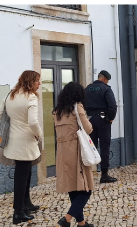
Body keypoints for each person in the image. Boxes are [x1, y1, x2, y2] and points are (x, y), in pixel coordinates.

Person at [0, 70, 42, 224]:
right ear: (30, 81)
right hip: (26, 140)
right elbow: (33, 123)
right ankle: (18, 212)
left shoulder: (11, 95)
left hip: (13, 140)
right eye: (37, 81)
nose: (39, 84)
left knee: (25, 172)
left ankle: (26, 203)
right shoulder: (31, 97)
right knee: (22, 175)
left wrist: (14, 122)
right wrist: (39, 134)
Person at [53, 81, 96, 227]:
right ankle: (67, 218)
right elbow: (88, 129)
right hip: (77, 151)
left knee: (73, 187)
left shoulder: (57, 110)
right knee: (86, 189)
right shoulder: (77, 107)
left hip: (62, 152)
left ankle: (82, 223)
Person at [84, 70, 118, 183]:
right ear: (104, 79)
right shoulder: (106, 89)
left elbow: (82, 103)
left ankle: (86, 174)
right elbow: (113, 105)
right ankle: (104, 175)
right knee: (104, 147)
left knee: (90, 147)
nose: (107, 82)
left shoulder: (87, 89)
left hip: (89, 119)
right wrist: (110, 118)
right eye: (107, 80)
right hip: (103, 120)